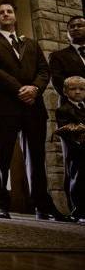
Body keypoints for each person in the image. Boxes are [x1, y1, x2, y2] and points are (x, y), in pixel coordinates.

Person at [0, 2, 69, 221]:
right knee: (1, 157)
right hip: (7, 106)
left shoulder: (31, 43)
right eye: (1, 12)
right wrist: (20, 89)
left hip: (33, 107)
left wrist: (35, 88)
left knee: (37, 158)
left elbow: (43, 69)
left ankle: (42, 205)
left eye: (9, 11)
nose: (6, 14)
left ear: (15, 16)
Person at [54, 76, 85, 224]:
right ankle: (78, 211)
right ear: (65, 92)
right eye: (73, 89)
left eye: (81, 89)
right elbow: (65, 130)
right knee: (77, 180)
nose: (78, 92)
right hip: (75, 151)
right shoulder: (63, 110)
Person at [49, 16, 85, 102]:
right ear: (68, 32)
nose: (75, 28)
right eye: (72, 27)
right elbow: (59, 83)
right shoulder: (57, 56)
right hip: (75, 109)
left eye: (79, 26)